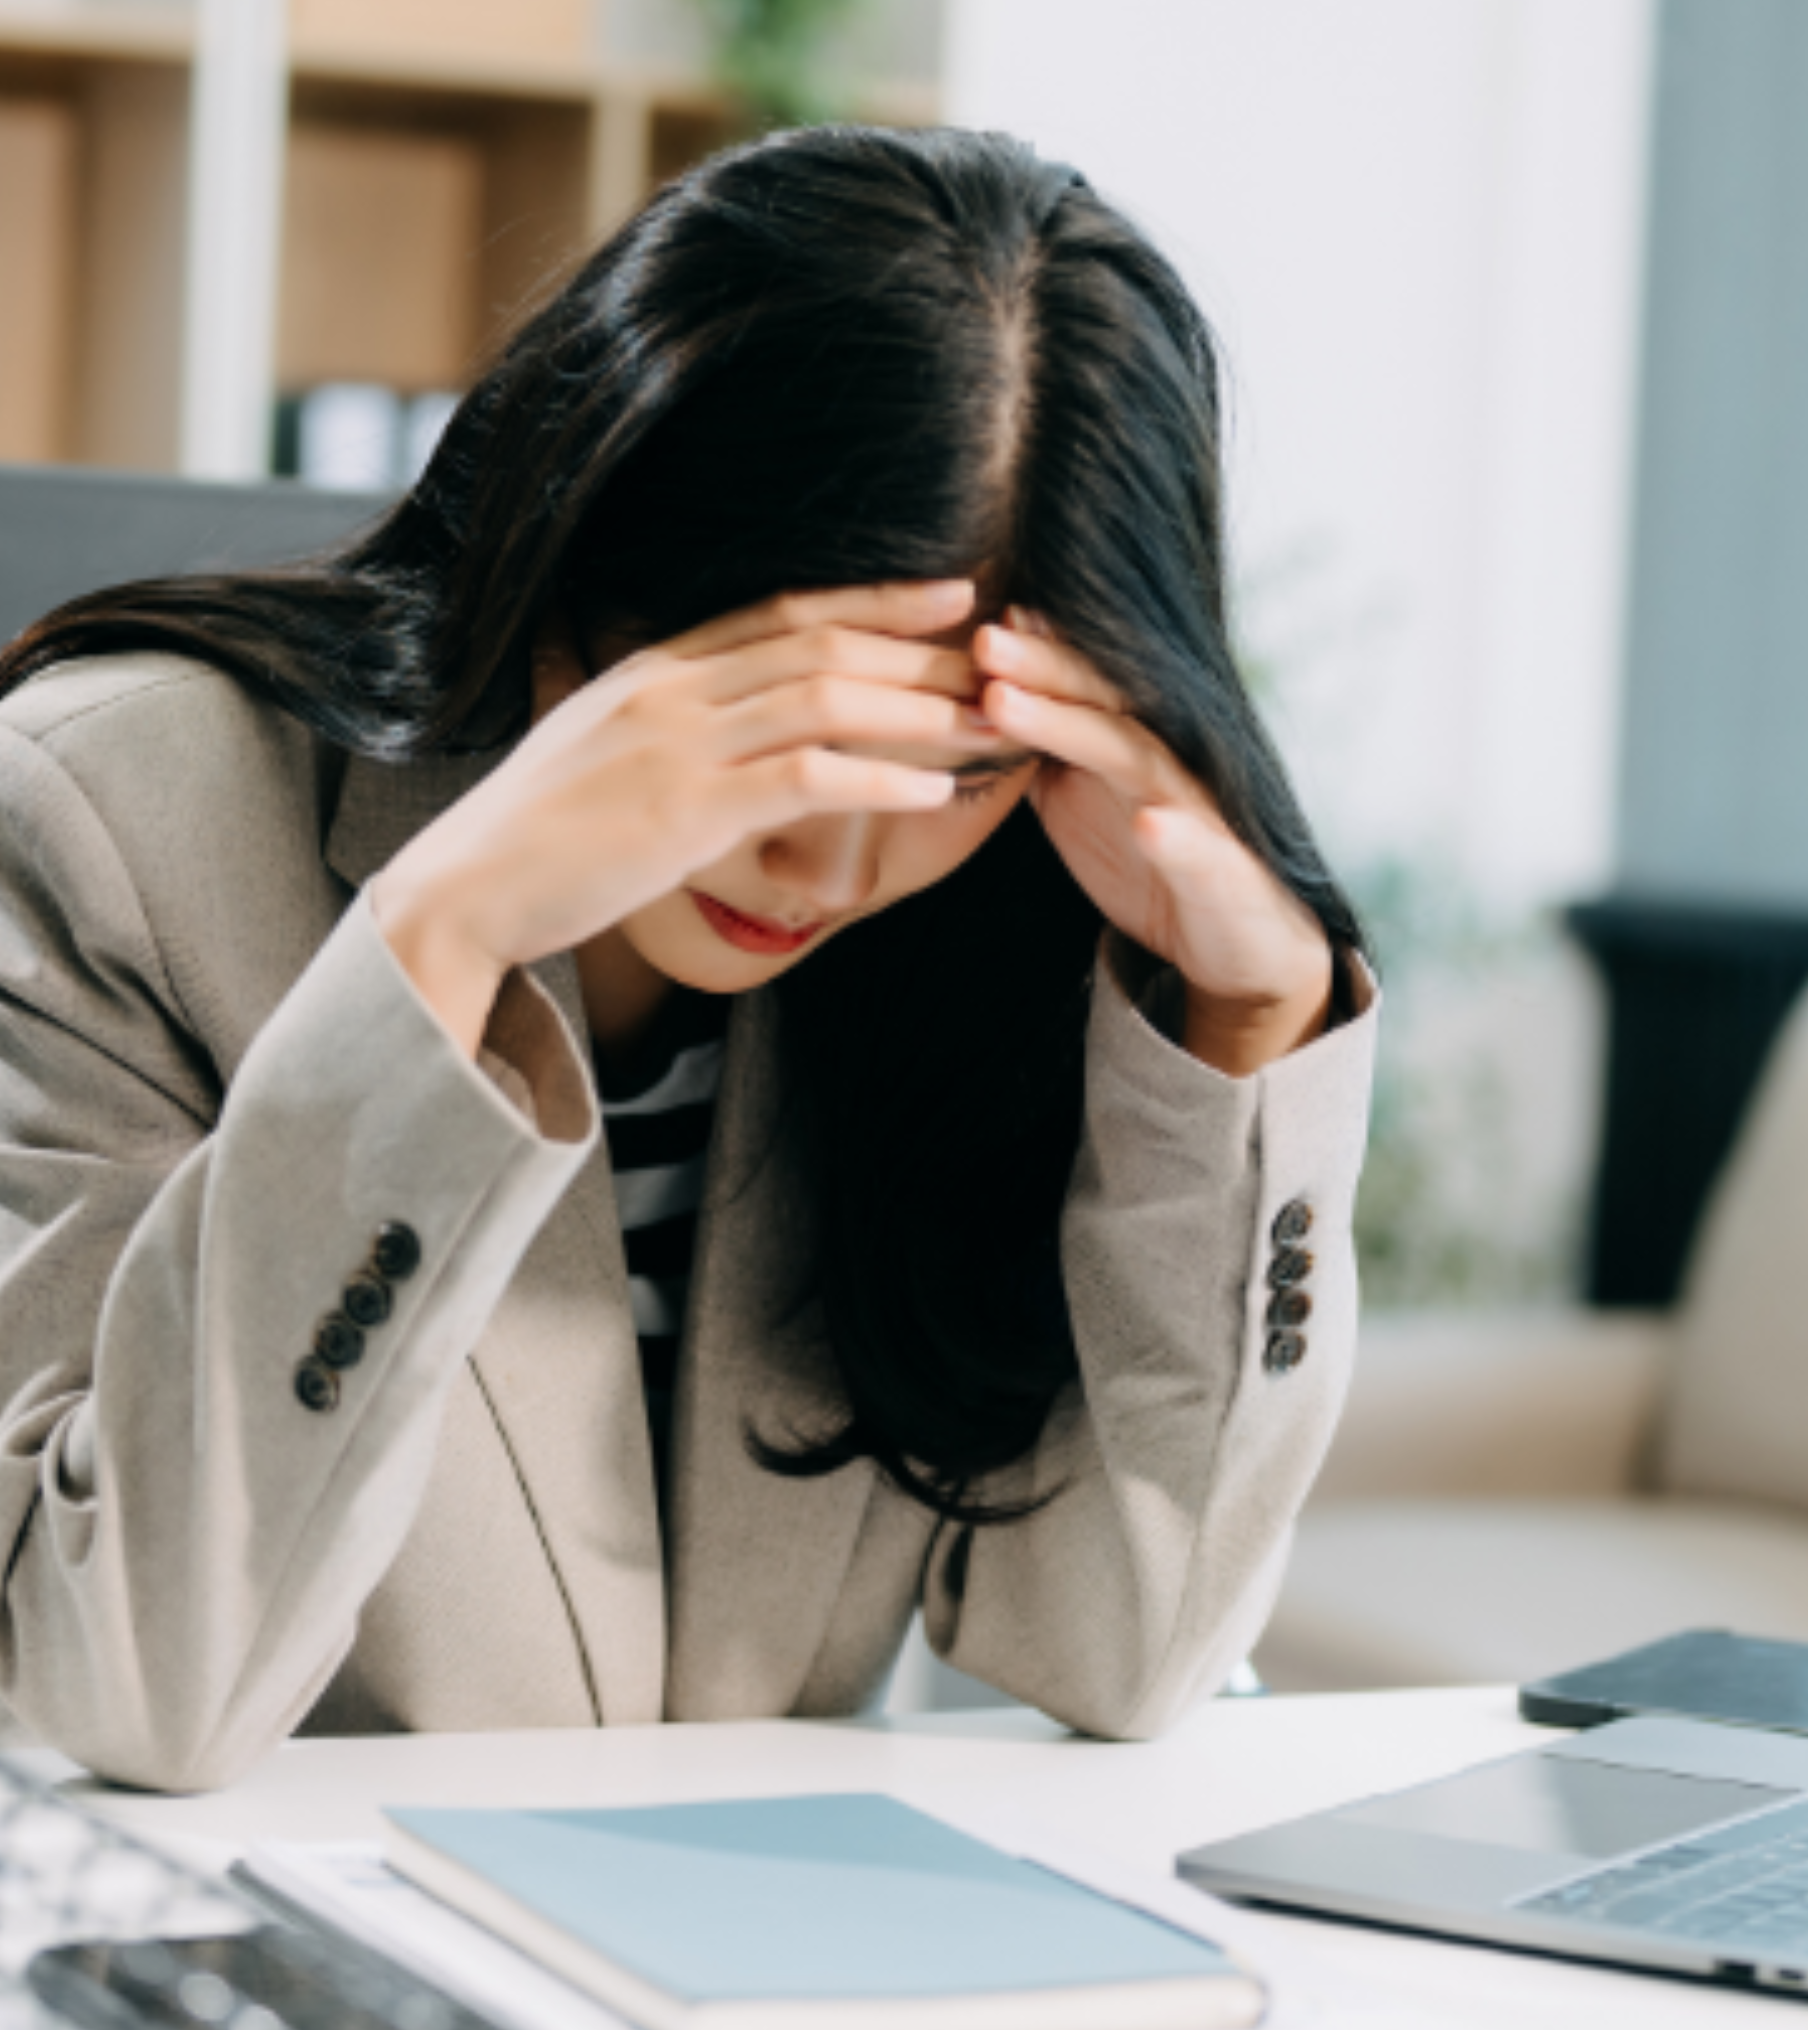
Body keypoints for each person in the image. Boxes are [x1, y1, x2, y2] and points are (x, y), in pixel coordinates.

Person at [0, 127, 1374, 1793]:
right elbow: (120, 1686)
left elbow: (1122, 1656)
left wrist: (1244, 1028)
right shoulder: (106, 821)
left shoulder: (998, 915)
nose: (837, 856)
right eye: (777, 725)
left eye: (957, 766)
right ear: (573, 558)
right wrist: (443, 944)